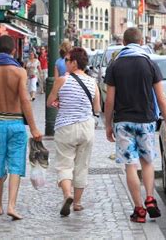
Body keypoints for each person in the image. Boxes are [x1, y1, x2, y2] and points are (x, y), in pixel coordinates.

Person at [104, 28, 166, 223]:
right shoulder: (149, 63)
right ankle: (150, 198)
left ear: (124, 43)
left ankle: (139, 210)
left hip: (123, 122)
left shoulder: (115, 65)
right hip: (146, 120)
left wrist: (107, 125)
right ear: (141, 41)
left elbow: (109, 100)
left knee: (130, 165)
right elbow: (161, 99)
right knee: (147, 162)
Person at [0, 35, 43, 220]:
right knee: (16, 164)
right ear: (14, 51)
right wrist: (33, 128)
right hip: (16, 122)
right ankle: (11, 205)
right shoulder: (19, 72)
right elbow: (25, 101)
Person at [47, 47, 101, 217]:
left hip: (66, 127)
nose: (64, 62)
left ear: (74, 63)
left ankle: (67, 194)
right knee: (82, 165)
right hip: (86, 127)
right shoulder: (93, 83)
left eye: (67, 60)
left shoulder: (61, 81)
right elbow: (97, 108)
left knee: (64, 164)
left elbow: (50, 102)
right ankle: (77, 203)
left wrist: (60, 104)